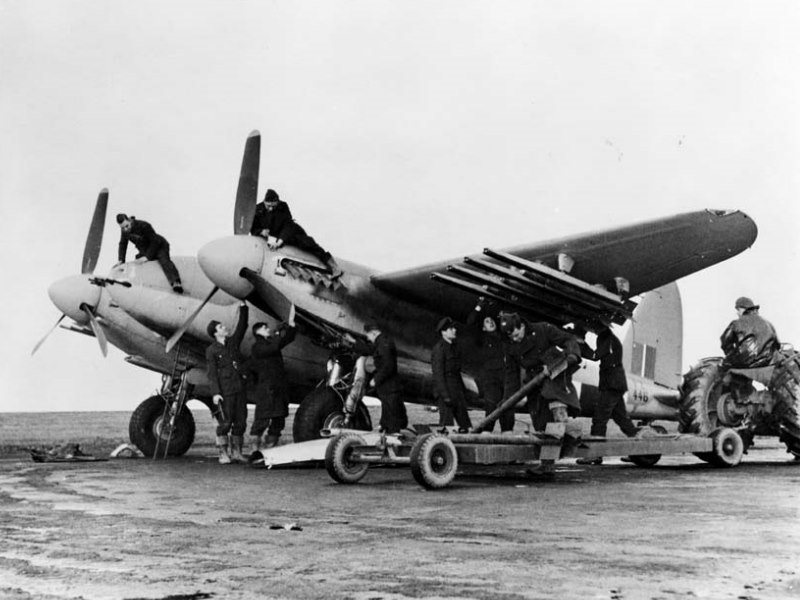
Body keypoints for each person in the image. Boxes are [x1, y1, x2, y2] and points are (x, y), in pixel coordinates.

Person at [576, 320, 638, 465]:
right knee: (622, 419)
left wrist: (580, 344)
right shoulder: (607, 338)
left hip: (612, 385)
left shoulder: (607, 338)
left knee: (599, 418)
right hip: (613, 384)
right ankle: (640, 449)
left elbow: (594, 356)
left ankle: (595, 455)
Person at [250, 189, 342, 278]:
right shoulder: (257, 210)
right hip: (270, 238)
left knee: (308, 243)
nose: (270, 209)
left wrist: (280, 241)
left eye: (273, 206)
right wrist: (261, 231)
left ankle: (332, 264)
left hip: (287, 235)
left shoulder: (283, 207)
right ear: (264, 202)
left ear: (277, 202)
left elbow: (288, 225)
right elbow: (253, 228)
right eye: (268, 206)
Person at [205, 301, 249, 464]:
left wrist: (244, 307)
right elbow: (211, 374)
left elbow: (242, 327)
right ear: (216, 333)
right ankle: (223, 453)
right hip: (225, 391)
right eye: (221, 327)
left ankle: (237, 452)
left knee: (241, 421)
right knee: (225, 422)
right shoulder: (211, 351)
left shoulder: (233, 343)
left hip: (239, 388)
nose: (225, 328)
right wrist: (215, 393)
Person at [246, 314, 297, 454]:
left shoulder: (269, 344)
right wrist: (277, 333)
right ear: (257, 332)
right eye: (264, 328)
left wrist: (291, 326)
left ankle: (270, 450)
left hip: (278, 388)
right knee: (261, 421)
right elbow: (275, 346)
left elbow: (285, 340)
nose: (267, 329)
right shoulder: (258, 347)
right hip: (267, 389)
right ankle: (254, 451)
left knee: (278, 421)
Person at [467, 298, 513, 432]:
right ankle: (488, 431)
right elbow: (470, 323)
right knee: (491, 405)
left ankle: (507, 431)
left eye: (492, 320)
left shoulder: (503, 336)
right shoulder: (481, 338)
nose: (491, 322)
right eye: (487, 322)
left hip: (505, 375)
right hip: (490, 377)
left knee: (508, 404)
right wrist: (479, 305)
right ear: (483, 327)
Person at [352, 323, 408, 434]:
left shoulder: (384, 344)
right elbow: (370, 349)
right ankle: (386, 429)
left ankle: (392, 435)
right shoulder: (381, 342)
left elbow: (388, 366)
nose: (368, 338)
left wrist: (376, 379)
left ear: (374, 332)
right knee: (387, 409)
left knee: (391, 411)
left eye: (368, 335)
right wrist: (353, 342)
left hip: (390, 385)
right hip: (387, 386)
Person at [115, 214, 184, 293]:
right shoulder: (124, 231)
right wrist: (121, 259)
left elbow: (154, 241)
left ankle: (176, 282)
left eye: (127, 226)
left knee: (164, 260)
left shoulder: (144, 225)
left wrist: (147, 257)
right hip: (145, 249)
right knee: (137, 262)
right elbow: (123, 244)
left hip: (159, 246)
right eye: (123, 228)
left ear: (130, 221)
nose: (125, 229)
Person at [431, 317, 472, 433]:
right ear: (443, 332)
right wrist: (445, 396)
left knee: (466, 426)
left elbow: (456, 373)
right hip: (446, 394)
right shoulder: (439, 349)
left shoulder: (454, 348)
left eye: (454, 328)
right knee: (446, 427)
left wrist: (463, 392)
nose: (454, 330)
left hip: (457, 392)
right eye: (451, 328)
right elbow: (438, 374)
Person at [720, 296, 780, 368]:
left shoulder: (736, 323)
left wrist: (731, 355)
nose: (737, 313)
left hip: (745, 362)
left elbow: (725, 342)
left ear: (743, 309)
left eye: (738, 310)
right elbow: (777, 344)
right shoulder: (768, 323)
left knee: (722, 367)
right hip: (767, 360)